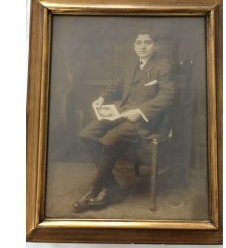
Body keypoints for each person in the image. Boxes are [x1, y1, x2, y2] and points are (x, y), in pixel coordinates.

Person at [73, 29, 175, 213]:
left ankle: (94, 190)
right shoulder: (131, 65)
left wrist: (141, 111)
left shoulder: (163, 66)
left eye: (147, 42)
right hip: (121, 114)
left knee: (109, 140)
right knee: (86, 135)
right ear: (134, 46)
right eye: (139, 43)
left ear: (156, 46)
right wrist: (102, 98)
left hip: (145, 122)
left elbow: (168, 96)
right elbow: (117, 85)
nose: (142, 46)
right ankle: (111, 186)